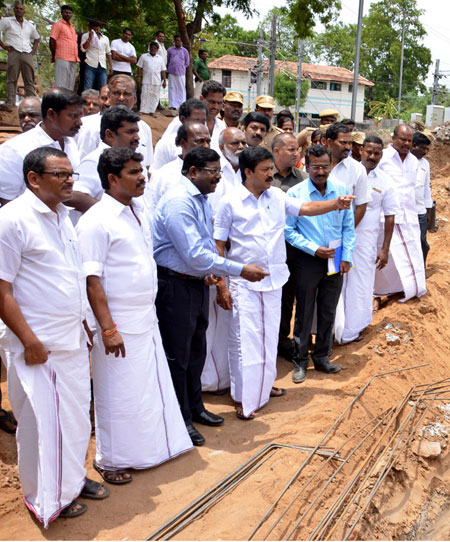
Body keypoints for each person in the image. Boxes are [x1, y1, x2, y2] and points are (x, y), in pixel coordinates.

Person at [0, 147, 109, 525]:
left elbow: (69, 277)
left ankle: (72, 481)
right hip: (39, 345)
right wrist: (28, 340)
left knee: (76, 419)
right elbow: (2, 290)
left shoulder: (64, 217)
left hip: (71, 340)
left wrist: (83, 321)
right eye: (60, 175)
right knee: (44, 425)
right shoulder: (12, 220)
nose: (69, 181)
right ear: (33, 179)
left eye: (71, 174)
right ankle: (44, 498)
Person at [76, 147, 192, 484]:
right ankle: (110, 459)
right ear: (112, 179)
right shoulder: (96, 221)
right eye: (133, 172)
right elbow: (91, 281)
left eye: (142, 170)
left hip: (145, 317)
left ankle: (147, 451)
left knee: (143, 389)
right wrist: (109, 328)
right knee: (118, 392)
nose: (143, 177)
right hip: (118, 323)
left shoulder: (138, 209)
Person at [215, 146, 353, 418]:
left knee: (268, 339)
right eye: (265, 170)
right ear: (248, 172)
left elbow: (306, 208)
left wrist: (336, 204)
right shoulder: (229, 202)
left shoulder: (276, 196)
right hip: (244, 283)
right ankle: (244, 397)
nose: (271, 174)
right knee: (246, 341)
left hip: (274, 280)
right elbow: (218, 245)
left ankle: (265, 387)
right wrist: (221, 283)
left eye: (270, 169)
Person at [152, 147, 267, 444]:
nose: (218, 177)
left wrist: (209, 273)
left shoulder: (200, 199)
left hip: (194, 283)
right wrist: (239, 270)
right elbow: (195, 255)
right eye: (212, 172)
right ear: (193, 172)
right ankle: (181, 420)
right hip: (175, 285)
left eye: (219, 171)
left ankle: (195, 408)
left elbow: (202, 249)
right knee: (178, 356)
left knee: (195, 351)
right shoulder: (179, 202)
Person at [285, 145, 356, 384]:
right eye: (315, 167)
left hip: (335, 256)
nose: (320, 171)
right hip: (308, 258)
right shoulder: (295, 195)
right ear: (306, 166)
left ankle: (323, 357)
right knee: (304, 310)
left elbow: (349, 227)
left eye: (325, 166)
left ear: (331, 166)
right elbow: (289, 231)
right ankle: (300, 362)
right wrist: (313, 249)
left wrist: (346, 256)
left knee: (328, 308)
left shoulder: (342, 192)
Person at [199, 127, 245, 395]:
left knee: (229, 323)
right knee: (213, 323)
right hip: (216, 260)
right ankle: (209, 381)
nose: (239, 146)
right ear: (221, 145)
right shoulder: (215, 179)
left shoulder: (241, 171)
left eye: (242, 142)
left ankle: (227, 377)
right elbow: (216, 229)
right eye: (233, 142)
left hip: (236, 262)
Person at [341, 135, 397, 344]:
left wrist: (385, 249)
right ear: (360, 150)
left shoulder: (385, 181)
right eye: (369, 152)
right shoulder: (347, 172)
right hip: (340, 238)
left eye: (377, 153)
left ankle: (353, 329)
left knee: (361, 284)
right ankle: (334, 329)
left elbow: (390, 217)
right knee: (337, 282)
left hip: (365, 242)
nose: (372, 156)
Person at [0, 88, 83, 206]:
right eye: (73, 116)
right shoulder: (14, 149)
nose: (79, 122)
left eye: (80, 116)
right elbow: (6, 202)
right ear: (51, 114)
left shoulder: (71, 143)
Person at [374, 124, 427, 303]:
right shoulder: (383, 157)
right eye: (402, 139)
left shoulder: (414, 161)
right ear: (393, 138)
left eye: (409, 140)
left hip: (408, 216)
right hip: (386, 216)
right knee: (385, 256)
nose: (406, 143)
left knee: (413, 251)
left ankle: (407, 288)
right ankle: (377, 294)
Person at [271, 133, 307, 359]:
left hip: (295, 248)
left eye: (297, 150)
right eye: (291, 150)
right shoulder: (264, 176)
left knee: (290, 295)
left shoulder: (303, 178)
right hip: (270, 248)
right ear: (276, 151)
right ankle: (271, 339)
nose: (296, 154)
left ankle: (284, 339)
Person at [68, 105, 141, 215]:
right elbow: (75, 196)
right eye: (130, 132)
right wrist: (112, 216)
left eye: (136, 132)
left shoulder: (132, 160)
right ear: (110, 135)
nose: (137, 137)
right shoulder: (94, 161)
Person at [74, 74, 154, 167]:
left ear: (135, 98)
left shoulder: (144, 128)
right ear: (109, 96)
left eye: (127, 94)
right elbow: (84, 164)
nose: (121, 98)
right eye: (116, 93)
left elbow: (147, 164)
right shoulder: (90, 127)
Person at [145, 121, 210, 211]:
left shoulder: (215, 173)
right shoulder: (164, 176)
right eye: (200, 141)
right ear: (183, 143)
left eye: (208, 141)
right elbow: (153, 209)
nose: (206, 146)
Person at [325, 123, 370, 226]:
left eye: (350, 143)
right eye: (343, 142)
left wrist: (348, 232)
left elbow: (361, 206)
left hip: (340, 233)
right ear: (329, 142)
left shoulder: (357, 169)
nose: (348, 147)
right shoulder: (314, 165)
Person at [0, 1, 39, 110]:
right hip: (14, 52)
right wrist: (3, 46)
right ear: (14, 9)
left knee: (29, 79)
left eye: (21, 9)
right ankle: (10, 103)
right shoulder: (7, 21)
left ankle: (31, 104)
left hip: (27, 53)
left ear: (24, 11)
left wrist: (33, 51)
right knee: (12, 78)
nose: (19, 10)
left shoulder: (29, 25)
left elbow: (37, 38)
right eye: (17, 8)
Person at [151, 98, 208, 171]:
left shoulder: (207, 141)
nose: (199, 125)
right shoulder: (166, 144)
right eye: (196, 120)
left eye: (203, 121)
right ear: (183, 119)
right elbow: (155, 173)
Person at [410, 131, 433, 265]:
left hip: (420, 212)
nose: (425, 152)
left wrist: (428, 210)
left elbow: (426, 188)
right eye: (423, 148)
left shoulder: (425, 164)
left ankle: (420, 270)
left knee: (422, 243)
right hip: (406, 211)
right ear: (413, 146)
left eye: (427, 149)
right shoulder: (405, 162)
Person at [49, 5, 79, 90]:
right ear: (61, 13)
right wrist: (53, 54)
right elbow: (52, 40)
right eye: (66, 12)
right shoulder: (58, 24)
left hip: (73, 58)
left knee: (70, 84)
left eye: (70, 13)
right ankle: (60, 101)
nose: (68, 14)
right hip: (62, 57)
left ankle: (68, 102)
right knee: (61, 83)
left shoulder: (72, 27)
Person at [80, 19, 112, 91]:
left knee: (103, 87)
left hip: (102, 66)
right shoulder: (85, 36)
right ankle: (87, 102)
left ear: (99, 27)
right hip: (90, 65)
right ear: (89, 28)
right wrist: (90, 38)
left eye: (97, 27)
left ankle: (102, 102)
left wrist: (110, 65)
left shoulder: (105, 38)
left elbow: (108, 52)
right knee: (88, 86)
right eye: (93, 27)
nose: (95, 29)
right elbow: (83, 49)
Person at [136, 41, 166, 115]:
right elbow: (139, 67)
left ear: (157, 49)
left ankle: (152, 111)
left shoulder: (160, 58)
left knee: (155, 96)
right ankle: (142, 110)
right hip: (146, 79)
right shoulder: (144, 56)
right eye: (152, 48)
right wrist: (139, 77)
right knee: (144, 95)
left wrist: (164, 80)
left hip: (157, 80)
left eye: (155, 48)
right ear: (149, 48)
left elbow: (163, 70)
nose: (153, 49)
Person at [199, 80, 226, 149]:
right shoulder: (185, 122)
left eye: (219, 103)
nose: (215, 107)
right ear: (201, 99)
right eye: (211, 102)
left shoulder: (222, 126)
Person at [166, 34, 190, 109]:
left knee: (181, 89)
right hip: (171, 72)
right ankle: (172, 105)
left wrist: (180, 67)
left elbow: (187, 63)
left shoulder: (185, 51)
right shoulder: (169, 50)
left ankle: (182, 105)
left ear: (181, 41)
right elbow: (167, 60)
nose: (177, 42)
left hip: (181, 73)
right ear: (174, 41)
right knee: (172, 88)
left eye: (178, 40)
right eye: (176, 40)